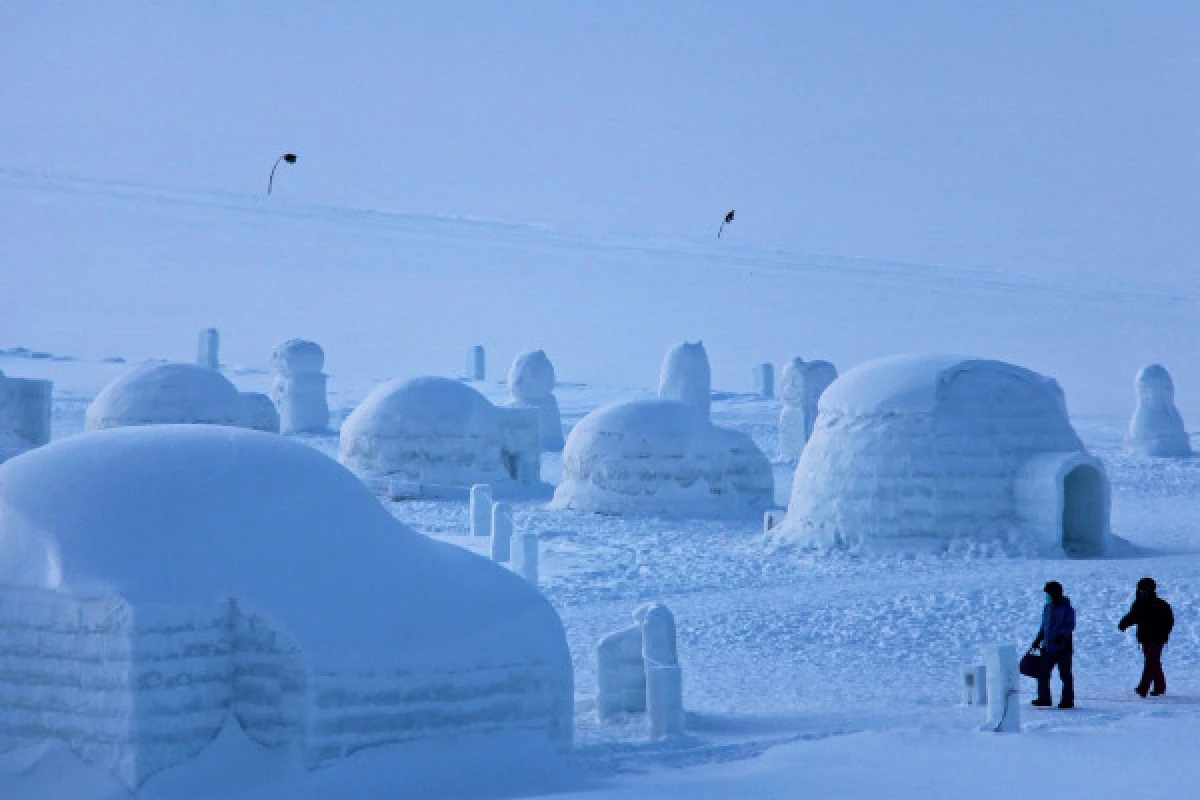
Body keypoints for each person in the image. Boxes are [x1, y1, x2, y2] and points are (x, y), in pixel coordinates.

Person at [1119, 577, 1175, 698]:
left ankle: (1143, 688)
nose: (1142, 592)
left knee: (1151, 662)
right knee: (1153, 662)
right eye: (1141, 590)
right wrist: (1124, 623)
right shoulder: (1139, 604)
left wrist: (1164, 634)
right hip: (1145, 638)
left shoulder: (1160, 605)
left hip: (1157, 638)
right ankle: (1160, 687)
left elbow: (1169, 621)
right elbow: (1133, 617)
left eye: (1145, 590)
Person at [1031, 580, 1075, 708]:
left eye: (1048, 593)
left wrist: (1062, 636)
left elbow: (1070, 625)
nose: (1047, 596)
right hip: (1047, 648)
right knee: (1043, 674)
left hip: (1063, 649)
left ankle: (1067, 700)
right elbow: (1044, 627)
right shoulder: (1047, 608)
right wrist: (1038, 640)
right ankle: (1044, 698)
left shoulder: (1068, 609)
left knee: (1065, 675)